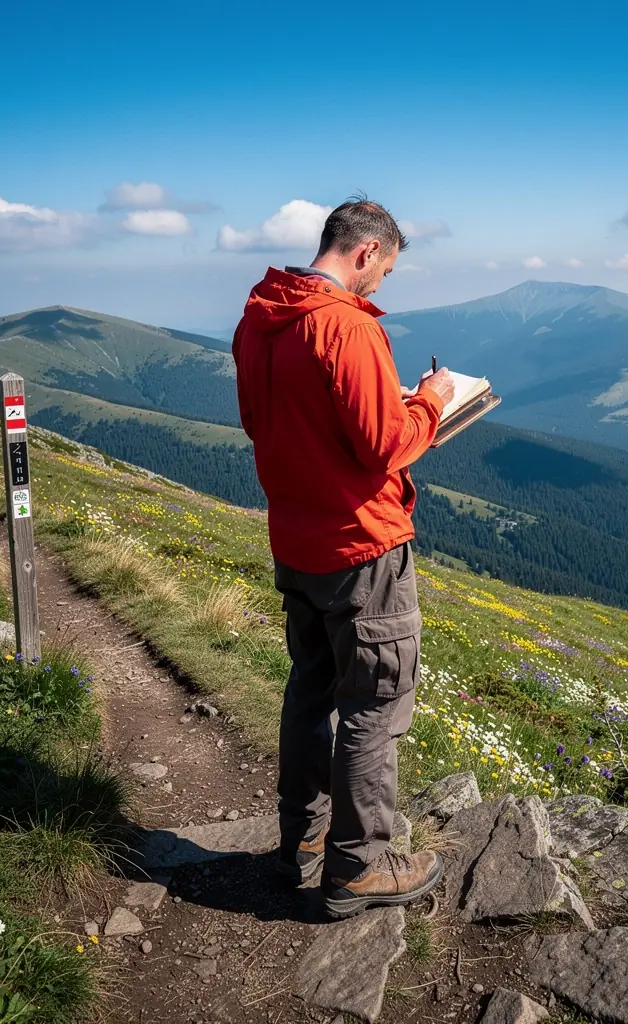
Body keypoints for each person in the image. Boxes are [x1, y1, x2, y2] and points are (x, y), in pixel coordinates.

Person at [232, 196, 455, 919]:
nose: (382, 284)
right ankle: (359, 868)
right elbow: (385, 446)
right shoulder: (345, 329)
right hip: (361, 546)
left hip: (296, 541)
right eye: (384, 270)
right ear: (365, 253)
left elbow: (263, 422)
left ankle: (303, 837)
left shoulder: (262, 318)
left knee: (311, 687)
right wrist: (429, 402)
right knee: (376, 705)